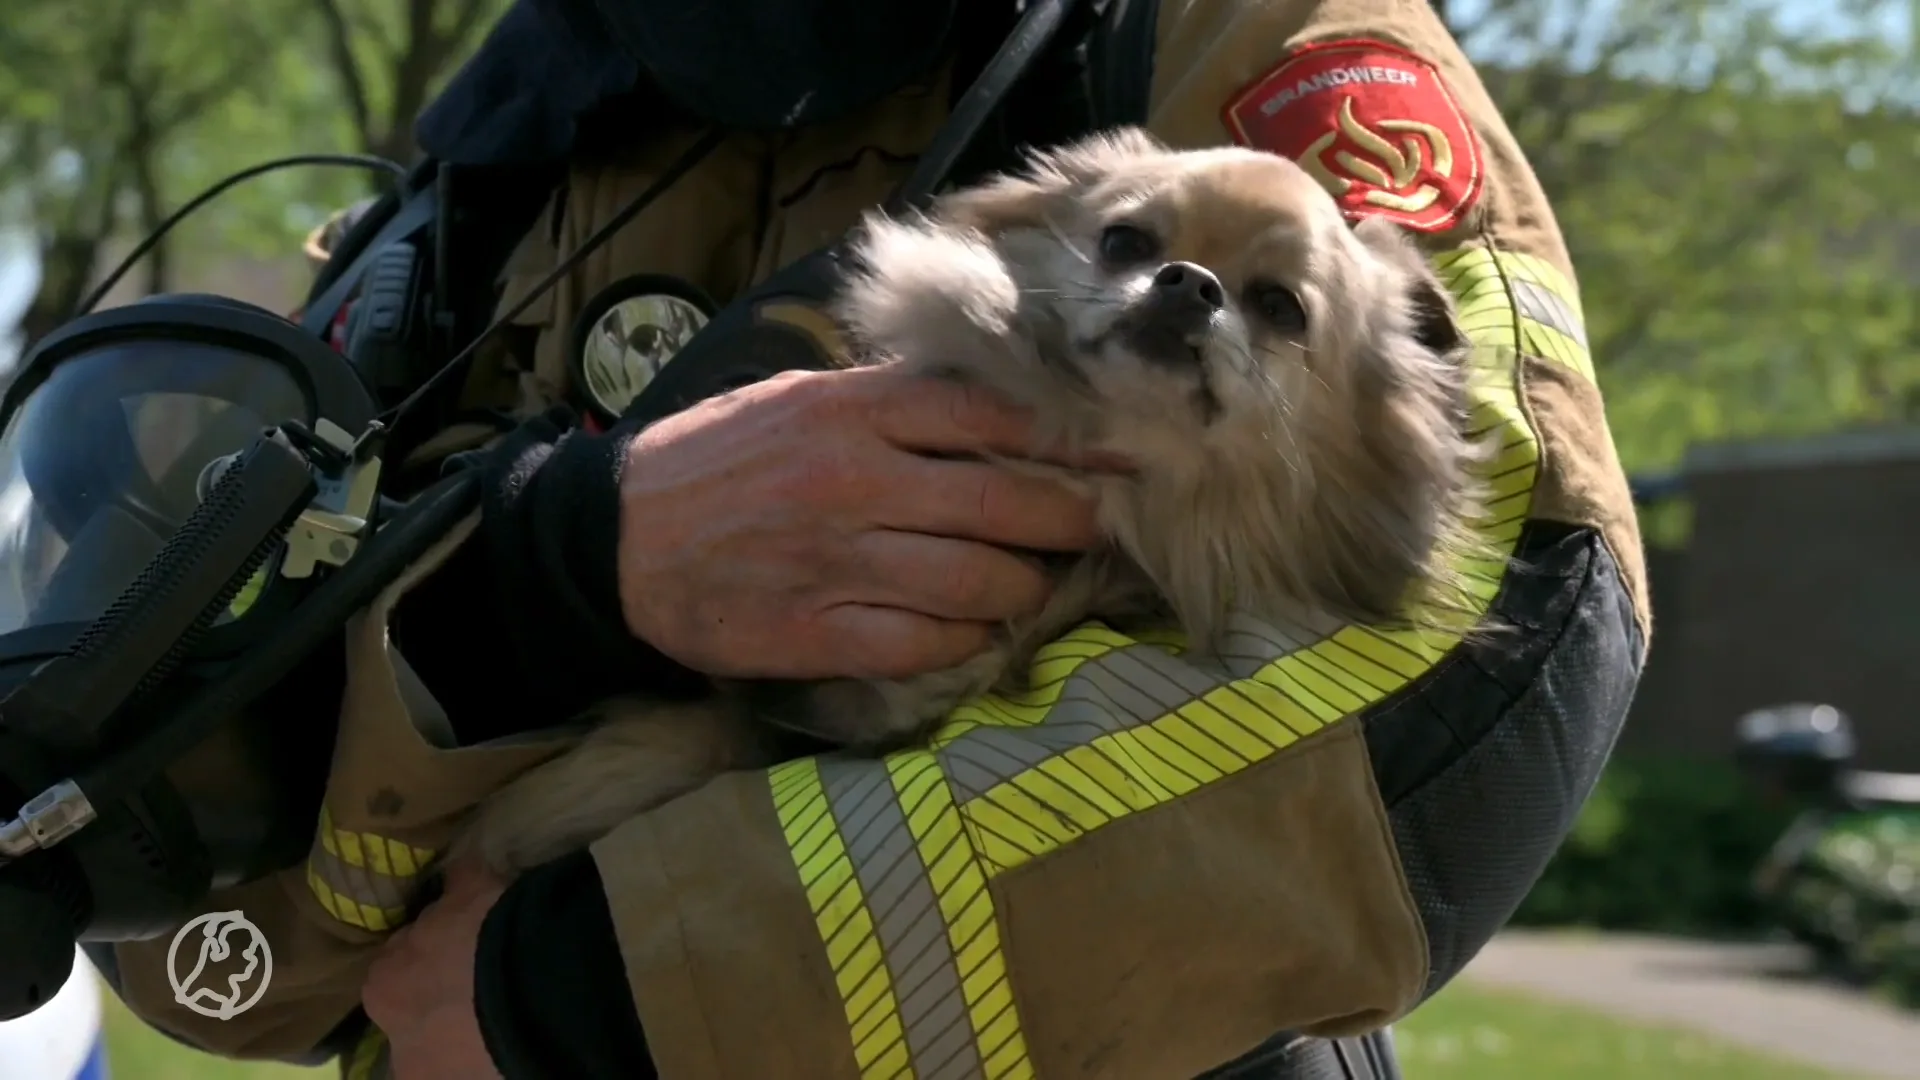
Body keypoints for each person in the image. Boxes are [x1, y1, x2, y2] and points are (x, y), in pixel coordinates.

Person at [96, 1, 1650, 1078]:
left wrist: (617, 993)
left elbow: (1502, 641)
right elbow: (178, 909)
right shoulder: (461, 192)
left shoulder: (1244, 42)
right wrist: (538, 580)